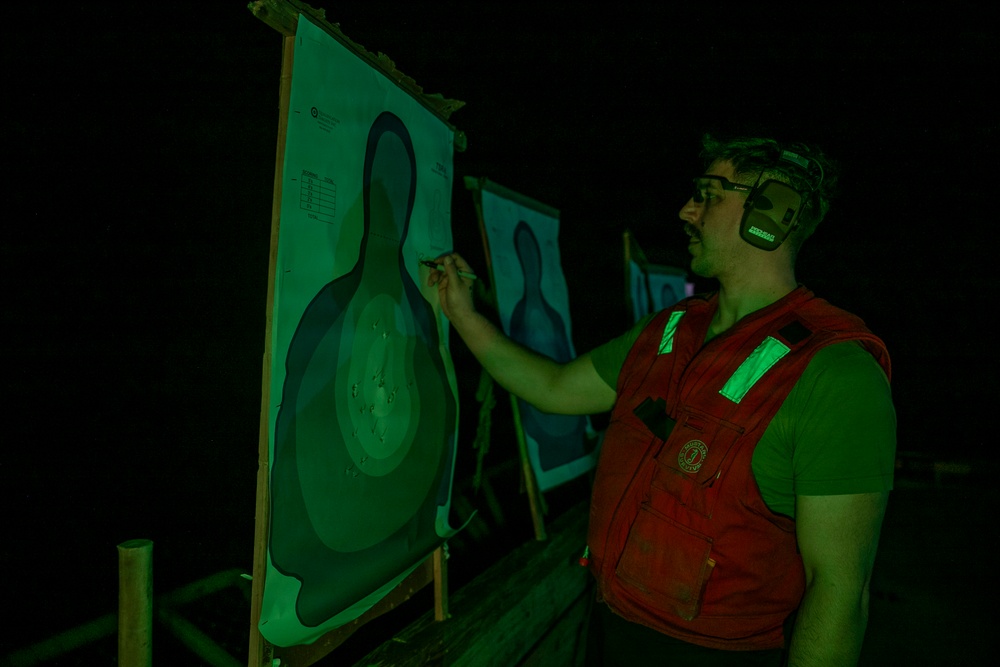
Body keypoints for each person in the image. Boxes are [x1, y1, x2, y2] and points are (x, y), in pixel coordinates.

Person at [428, 134, 896, 666]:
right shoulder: (669, 329)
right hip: (612, 627)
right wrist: (462, 315)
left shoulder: (835, 374)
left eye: (709, 193)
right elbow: (555, 389)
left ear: (773, 210)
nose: (686, 210)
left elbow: (839, 591)